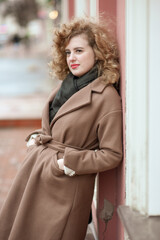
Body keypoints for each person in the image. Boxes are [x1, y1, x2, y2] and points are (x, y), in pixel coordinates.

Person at [0, 17, 122, 240]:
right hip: (36, 173)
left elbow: (112, 154)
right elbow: (57, 125)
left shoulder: (106, 97)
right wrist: (36, 137)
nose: (72, 58)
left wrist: (68, 162)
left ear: (97, 52)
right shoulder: (67, 84)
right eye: (68, 52)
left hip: (66, 185)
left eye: (79, 51)